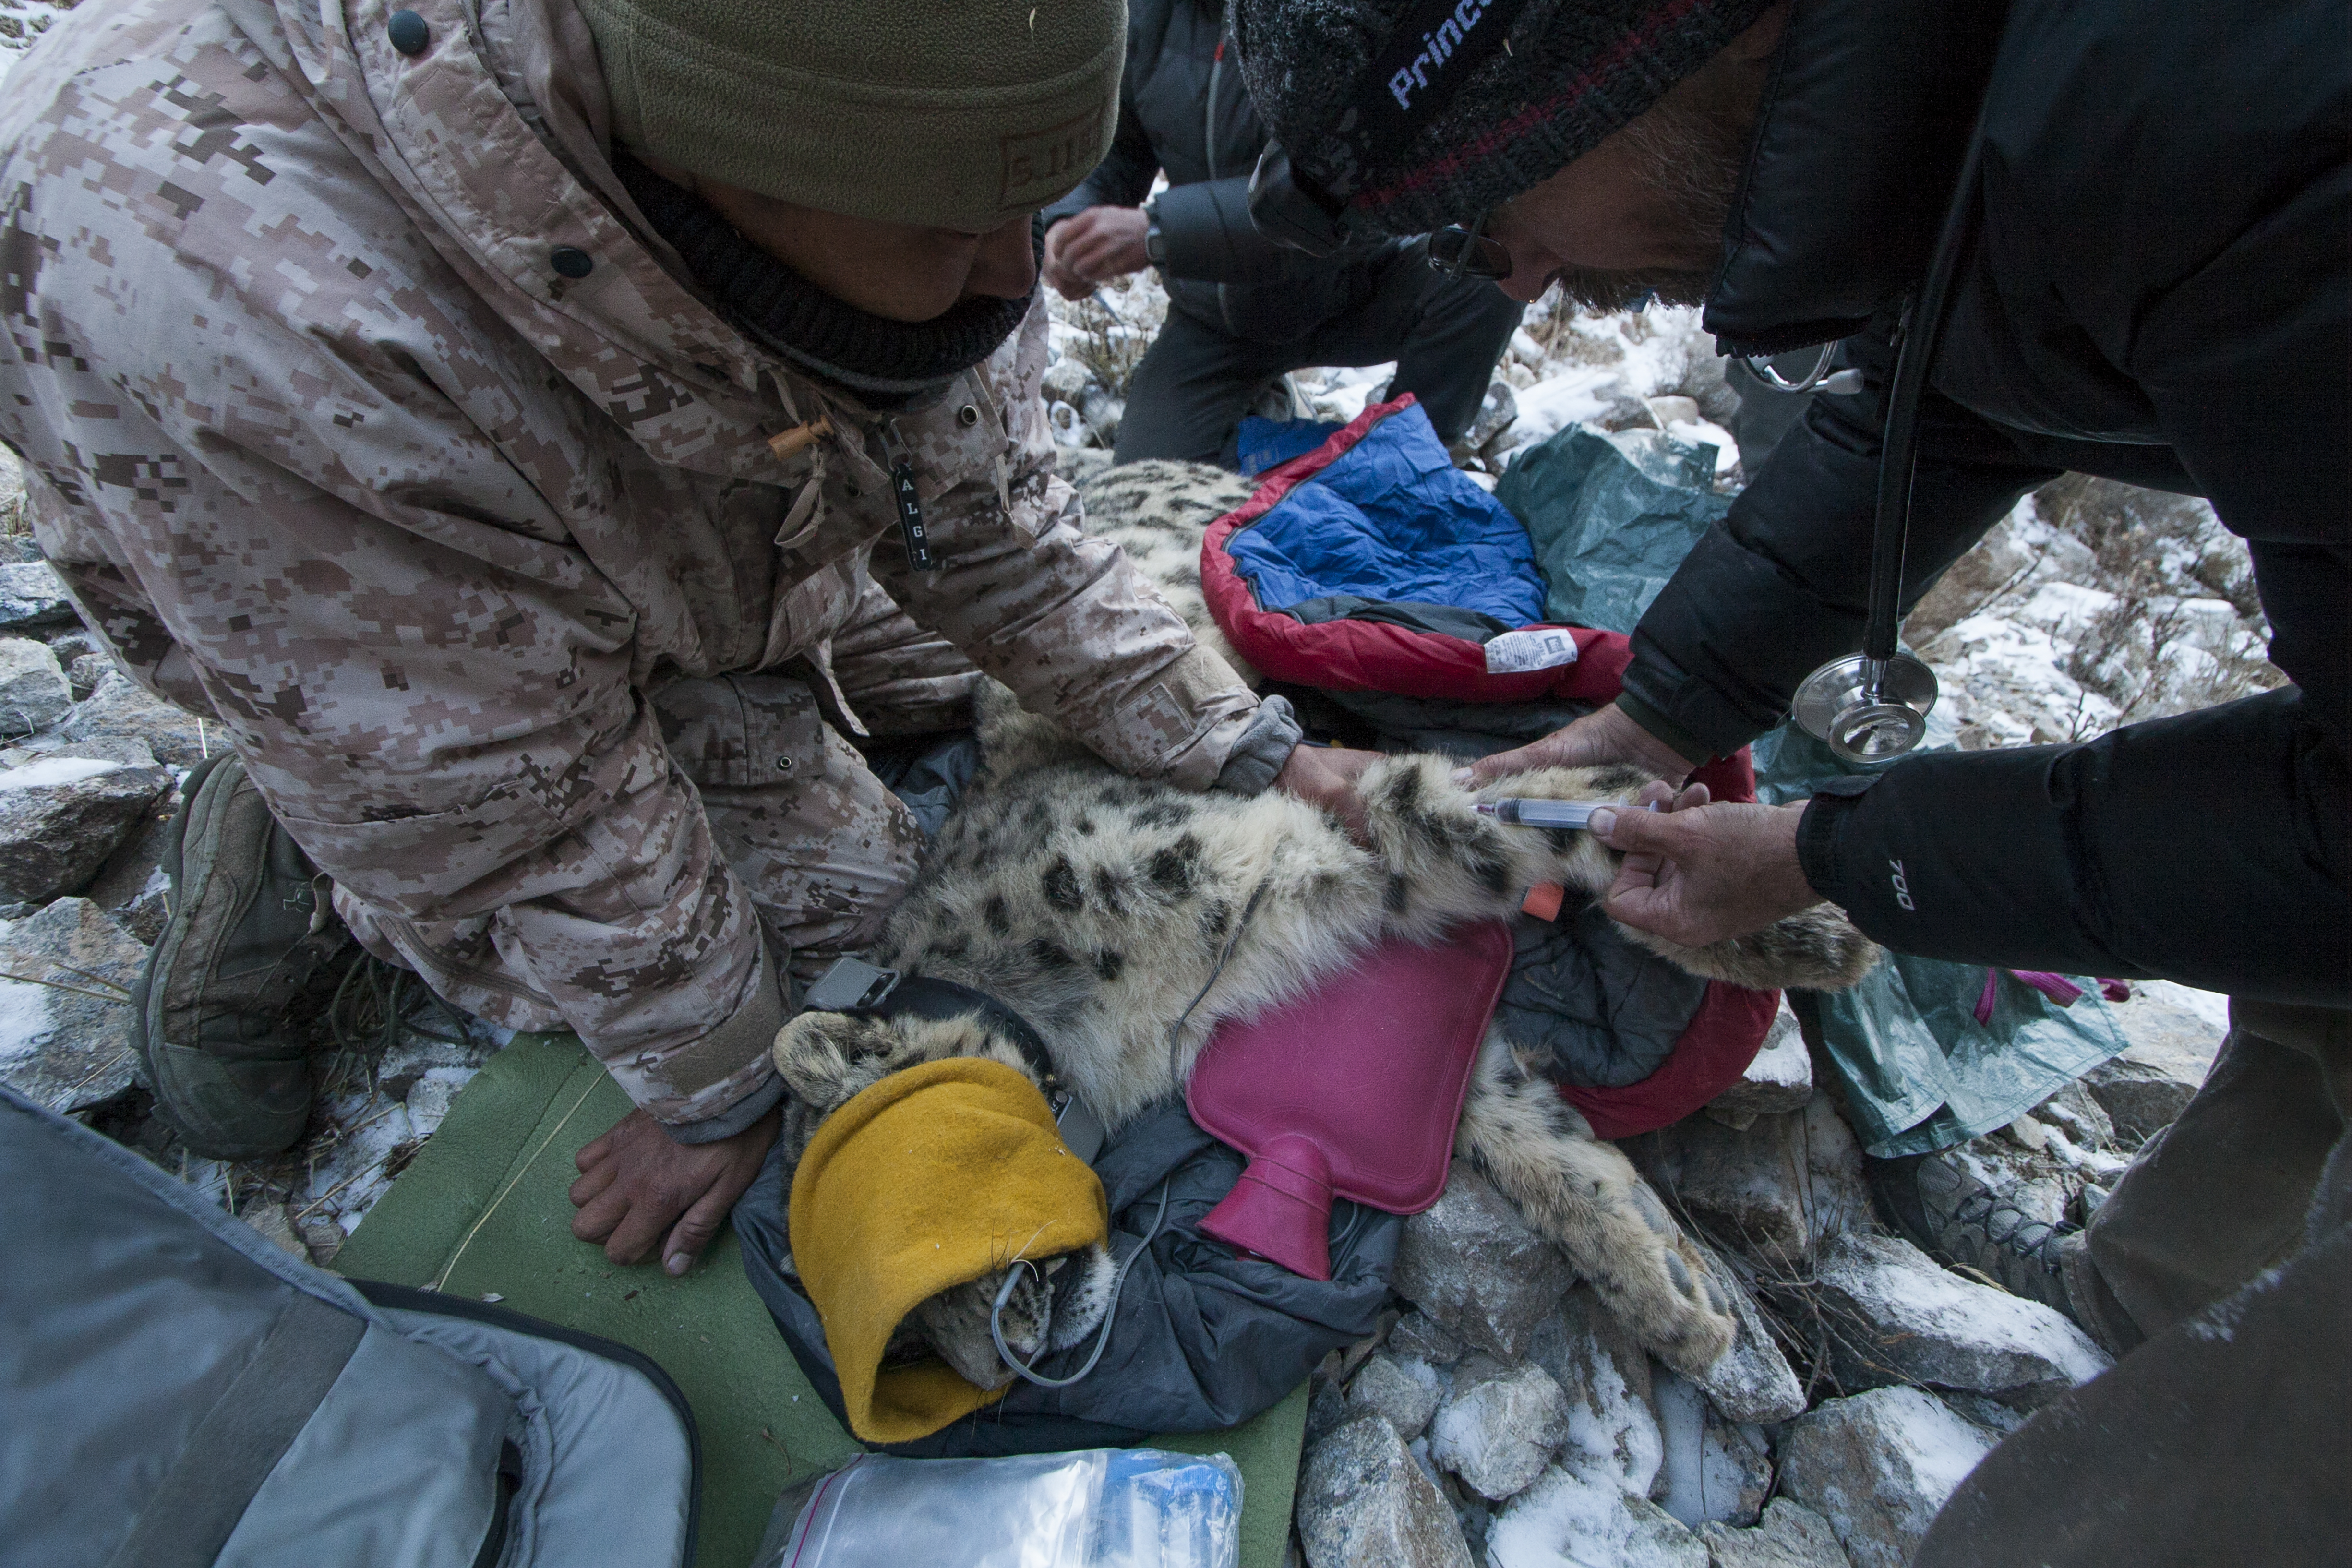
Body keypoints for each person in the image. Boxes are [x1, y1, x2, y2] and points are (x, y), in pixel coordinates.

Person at [0, 0, 1381, 1281]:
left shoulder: (911, 158)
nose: (1010, 270)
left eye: (1029, 205)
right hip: (391, 615)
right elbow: (539, 806)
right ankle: (315, 826)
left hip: (695, 536)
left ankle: (485, 750)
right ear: (711, 167)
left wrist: (1237, 745)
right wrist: (714, 1087)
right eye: (950, 232)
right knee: (851, 954)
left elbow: (989, 529)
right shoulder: (260, 307)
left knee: (1043, 701)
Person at [1235, 0, 2348, 1558]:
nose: (1517, 276)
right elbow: (1944, 395)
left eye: (1495, 206)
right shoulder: (1996, 113)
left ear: (1636, 53)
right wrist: (1661, 712)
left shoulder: (2236, 125)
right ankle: (2144, 1298)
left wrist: (1844, 849)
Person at [1039, 0, 1524, 467]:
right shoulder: (1148, 15)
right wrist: (1069, 217)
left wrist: (1159, 234)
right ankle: (1274, 422)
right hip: (1220, 321)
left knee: (1477, 266)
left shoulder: (1331, 14)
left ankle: (1413, 459)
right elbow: (1120, 147)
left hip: (1353, 286)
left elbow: (1340, 196)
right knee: (1147, 483)